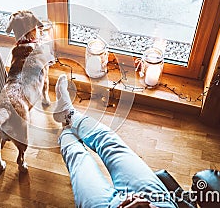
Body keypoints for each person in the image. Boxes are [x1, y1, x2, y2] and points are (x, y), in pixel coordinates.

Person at [53, 74, 178, 208]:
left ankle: (66, 128)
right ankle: (69, 114)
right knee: (109, 141)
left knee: (79, 161)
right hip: (158, 204)